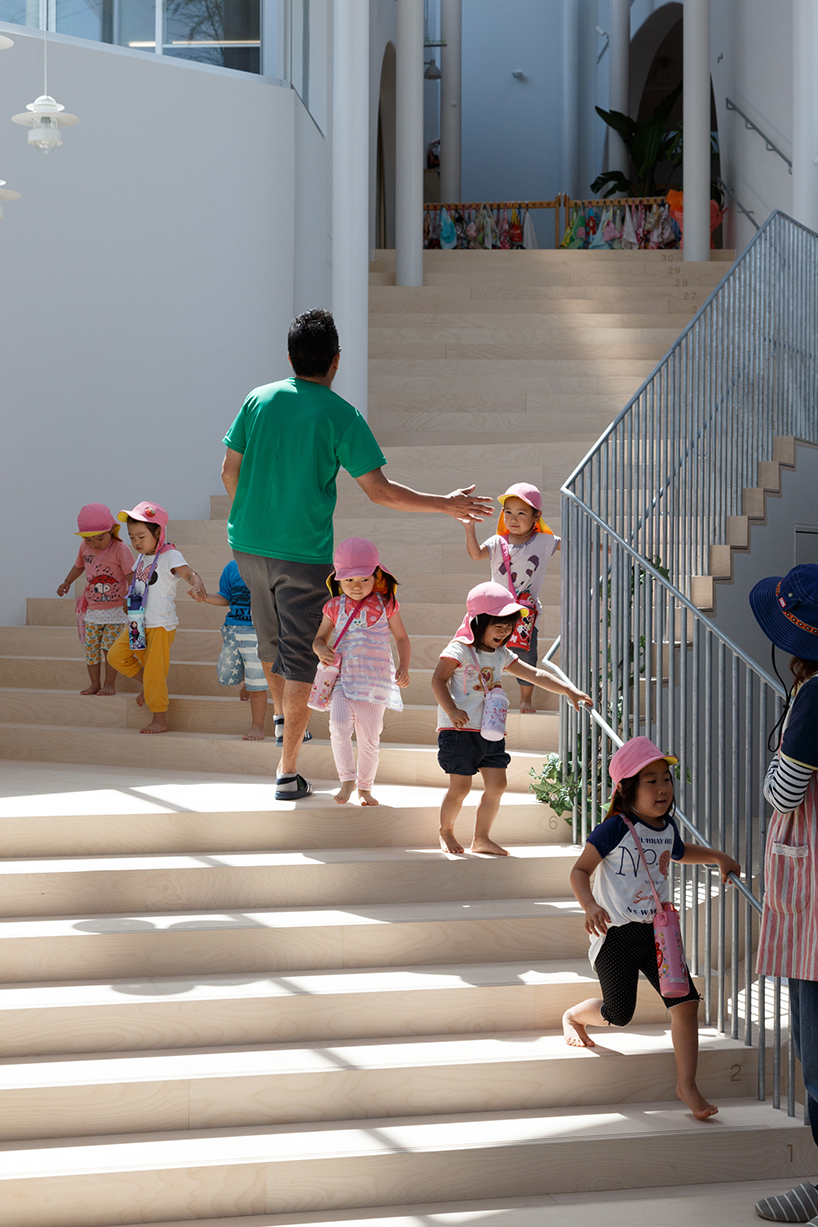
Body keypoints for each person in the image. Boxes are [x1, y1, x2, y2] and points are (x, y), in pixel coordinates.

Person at [221, 308, 493, 801]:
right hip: (300, 553)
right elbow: (380, 491)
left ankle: (286, 724)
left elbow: (228, 471)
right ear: (337, 361)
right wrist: (447, 506)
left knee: (273, 646)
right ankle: (286, 772)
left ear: (289, 356)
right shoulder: (340, 414)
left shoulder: (257, 400)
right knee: (304, 660)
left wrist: (256, 515)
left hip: (246, 545)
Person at [562, 736, 741, 1121]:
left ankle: (687, 1085)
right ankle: (574, 1015)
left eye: (667, 779)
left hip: (658, 935)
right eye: (651, 781)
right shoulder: (614, 828)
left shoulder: (666, 826)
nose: (663, 788)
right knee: (618, 1013)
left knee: (686, 1003)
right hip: (615, 935)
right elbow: (579, 870)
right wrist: (590, 904)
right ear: (627, 789)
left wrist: (717, 856)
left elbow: (679, 851)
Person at [748, 565, 818, 1225]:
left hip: (815, 901)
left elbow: (781, 792)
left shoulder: (817, 697)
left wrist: (775, 760)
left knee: (817, 1055)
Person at [431, 581, 590, 856]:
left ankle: (481, 838)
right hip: (460, 731)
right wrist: (452, 710)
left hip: (490, 731)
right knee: (461, 787)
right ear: (478, 622)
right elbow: (438, 680)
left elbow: (534, 674)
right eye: (499, 626)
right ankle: (445, 831)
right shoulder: (459, 649)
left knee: (498, 784)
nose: (505, 633)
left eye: (509, 627)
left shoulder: (502, 654)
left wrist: (568, 690)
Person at [312, 537, 410, 806]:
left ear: (376, 576)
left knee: (370, 739)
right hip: (344, 679)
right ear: (338, 581)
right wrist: (321, 649)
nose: (357, 586)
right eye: (349, 581)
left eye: (364, 579)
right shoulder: (333, 607)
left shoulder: (387, 603)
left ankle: (365, 787)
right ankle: (347, 779)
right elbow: (319, 639)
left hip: (375, 684)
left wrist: (403, 666)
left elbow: (401, 638)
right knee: (338, 726)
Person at [107, 502, 206, 734]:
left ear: (158, 532)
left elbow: (189, 573)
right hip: (137, 623)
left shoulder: (170, 555)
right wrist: (127, 598)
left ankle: (159, 719)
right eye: (132, 537)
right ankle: (150, 686)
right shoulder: (141, 558)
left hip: (160, 624)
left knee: (155, 671)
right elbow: (138, 585)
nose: (136, 542)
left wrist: (197, 584)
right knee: (116, 656)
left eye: (141, 535)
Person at [462, 483, 560, 714]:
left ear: (537, 516)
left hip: (525, 614)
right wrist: (469, 529)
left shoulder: (544, 542)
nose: (513, 519)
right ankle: (484, 692)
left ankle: (526, 698)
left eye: (521, 513)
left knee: (527, 654)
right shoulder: (497, 542)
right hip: (494, 611)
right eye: (508, 512)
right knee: (485, 651)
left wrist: (611, 547)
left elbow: (576, 545)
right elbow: (476, 554)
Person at [57, 503, 134, 696]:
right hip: (92, 611)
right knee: (91, 649)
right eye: (89, 539)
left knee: (110, 649)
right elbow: (78, 566)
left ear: (112, 530)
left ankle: (110, 684)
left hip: (116, 610)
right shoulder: (85, 548)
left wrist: (130, 595)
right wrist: (67, 581)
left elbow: (131, 575)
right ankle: (94, 684)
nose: (95, 544)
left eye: (100, 538)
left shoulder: (120, 549)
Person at [205, 560, 272, 741]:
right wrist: (206, 597)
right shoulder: (232, 567)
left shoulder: (271, 565)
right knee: (226, 671)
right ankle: (248, 681)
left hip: (257, 633)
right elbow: (225, 597)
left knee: (257, 687)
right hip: (232, 630)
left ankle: (257, 726)